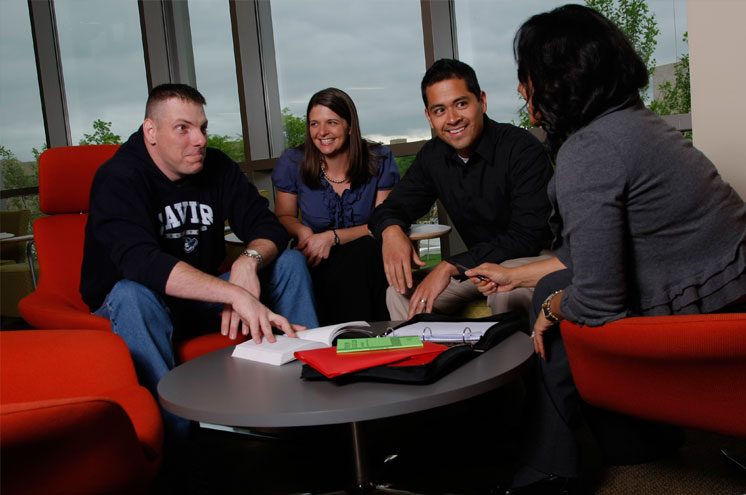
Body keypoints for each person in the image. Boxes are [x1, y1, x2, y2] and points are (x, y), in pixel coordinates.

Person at [466, 5, 746, 493]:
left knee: (554, 297)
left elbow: (598, 300)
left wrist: (551, 306)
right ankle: (632, 442)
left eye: (526, 75)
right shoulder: (634, 124)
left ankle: (547, 471)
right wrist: (520, 277)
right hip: (730, 290)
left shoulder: (592, 149)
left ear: (555, 79)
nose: (520, 89)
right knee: (551, 282)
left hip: (723, 318)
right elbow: (606, 246)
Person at [80, 83, 318, 440]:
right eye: (183, 128)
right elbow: (141, 262)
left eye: (203, 128)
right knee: (132, 293)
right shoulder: (119, 177)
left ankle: (311, 401)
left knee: (288, 264)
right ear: (151, 132)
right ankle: (176, 443)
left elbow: (269, 226)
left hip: (200, 297)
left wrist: (247, 262)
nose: (200, 140)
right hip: (138, 304)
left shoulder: (216, 166)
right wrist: (233, 294)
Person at [369, 58, 554, 321]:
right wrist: (390, 231)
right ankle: (431, 362)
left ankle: (513, 363)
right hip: (476, 266)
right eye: (440, 110)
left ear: (482, 101)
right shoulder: (432, 157)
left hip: (532, 259)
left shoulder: (521, 149)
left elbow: (527, 236)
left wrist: (450, 266)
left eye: (461, 104)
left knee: (505, 292)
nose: (453, 119)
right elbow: (394, 206)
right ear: (429, 117)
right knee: (398, 294)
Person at [272, 88, 399, 325]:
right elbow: (284, 215)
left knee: (365, 251)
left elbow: (384, 221)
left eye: (332, 122)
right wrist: (303, 232)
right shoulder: (293, 162)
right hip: (315, 258)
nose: (322, 132)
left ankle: (362, 342)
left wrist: (333, 237)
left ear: (350, 126)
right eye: (314, 124)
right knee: (295, 262)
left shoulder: (379, 159)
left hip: (366, 260)